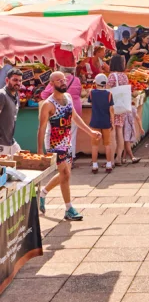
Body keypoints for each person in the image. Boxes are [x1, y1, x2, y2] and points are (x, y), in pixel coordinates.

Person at [38, 71, 101, 221]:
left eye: (64, 80)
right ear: (51, 84)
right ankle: (69, 209)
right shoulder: (48, 105)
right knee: (65, 174)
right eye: (59, 80)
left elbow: (74, 117)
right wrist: (40, 150)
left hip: (67, 140)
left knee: (65, 174)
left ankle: (43, 192)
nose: (63, 82)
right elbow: (41, 128)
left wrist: (90, 132)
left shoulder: (68, 98)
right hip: (54, 142)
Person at [106, 55, 132, 166]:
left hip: (113, 107)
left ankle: (111, 160)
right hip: (121, 107)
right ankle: (118, 158)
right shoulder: (124, 76)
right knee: (120, 132)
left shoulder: (112, 76)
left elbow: (107, 91)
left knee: (112, 134)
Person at [88, 73, 115, 174]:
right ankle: (108, 164)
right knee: (107, 144)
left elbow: (91, 104)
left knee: (94, 145)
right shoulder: (109, 94)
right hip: (106, 122)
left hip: (95, 122)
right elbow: (111, 110)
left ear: (96, 83)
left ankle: (95, 165)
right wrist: (112, 122)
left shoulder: (91, 93)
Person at [0, 68, 23, 155]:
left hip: (10, 141)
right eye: (15, 80)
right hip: (1, 143)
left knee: (21, 160)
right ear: (7, 80)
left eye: (20, 81)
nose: (18, 83)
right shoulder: (2, 95)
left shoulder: (16, 96)